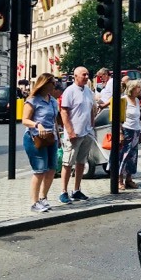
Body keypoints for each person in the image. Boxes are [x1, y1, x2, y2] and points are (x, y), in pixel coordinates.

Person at [21, 73, 60, 212]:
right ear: (44, 84)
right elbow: (24, 120)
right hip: (35, 138)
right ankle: (34, 202)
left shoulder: (53, 101)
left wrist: (59, 138)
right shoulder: (32, 100)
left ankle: (43, 198)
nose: (55, 86)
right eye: (52, 83)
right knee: (39, 170)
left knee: (52, 168)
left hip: (51, 137)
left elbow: (55, 121)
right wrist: (37, 125)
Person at [58, 65, 96, 204]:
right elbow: (64, 112)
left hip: (86, 132)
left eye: (87, 74)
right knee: (68, 163)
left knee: (81, 161)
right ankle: (63, 191)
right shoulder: (70, 91)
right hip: (74, 133)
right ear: (76, 76)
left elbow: (92, 108)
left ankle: (76, 189)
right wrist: (70, 131)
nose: (86, 77)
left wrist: (91, 126)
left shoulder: (88, 91)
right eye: (83, 75)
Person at [119, 79, 141, 190]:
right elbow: (119, 118)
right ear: (132, 89)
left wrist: (140, 133)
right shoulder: (124, 100)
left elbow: (138, 118)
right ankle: (119, 180)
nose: (140, 89)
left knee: (133, 156)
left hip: (136, 130)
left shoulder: (138, 101)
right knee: (124, 155)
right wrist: (120, 133)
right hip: (126, 129)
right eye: (138, 87)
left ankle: (129, 179)